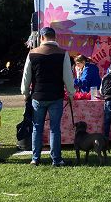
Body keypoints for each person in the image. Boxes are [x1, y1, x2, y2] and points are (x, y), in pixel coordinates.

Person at [20, 27, 75, 166]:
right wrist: (71, 93)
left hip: (38, 96)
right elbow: (68, 77)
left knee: (37, 127)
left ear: (42, 38)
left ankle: (35, 158)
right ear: (54, 37)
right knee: (54, 128)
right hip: (56, 96)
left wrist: (25, 93)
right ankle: (56, 159)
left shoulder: (32, 53)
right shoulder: (63, 54)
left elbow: (26, 77)